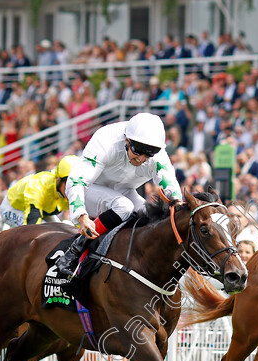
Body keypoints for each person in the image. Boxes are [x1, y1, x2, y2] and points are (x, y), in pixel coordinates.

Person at [55, 112, 182, 276]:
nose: (142, 159)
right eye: (138, 151)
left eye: (149, 154)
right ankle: (75, 249)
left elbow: (170, 186)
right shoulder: (106, 140)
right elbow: (77, 181)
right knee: (124, 206)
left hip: (124, 191)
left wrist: (178, 204)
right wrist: (82, 216)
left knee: (148, 216)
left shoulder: (157, 155)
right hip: (90, 189)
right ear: (126, 141)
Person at [0, 155, 76, 228]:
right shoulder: (38, 185)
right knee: (44, 234)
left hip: (43, 209)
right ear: (58, 180)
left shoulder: (74, 189)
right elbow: (33, 224)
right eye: (69, 184)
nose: (73, 189)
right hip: (13, 207)